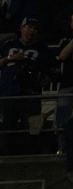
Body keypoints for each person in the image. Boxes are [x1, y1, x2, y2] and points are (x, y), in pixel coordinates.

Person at [0, 16, 52, 155]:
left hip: (31, 93)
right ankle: (5, 157)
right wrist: (11, 58)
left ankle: (29, 156)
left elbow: (51, 71)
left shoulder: (42, 48)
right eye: (29, 27)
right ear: (21, 28)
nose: (32, 31)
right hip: (10, 91)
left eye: (35, 28)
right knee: (7, 127)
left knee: (31, 128)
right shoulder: (8, 44)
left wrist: (42, 78)